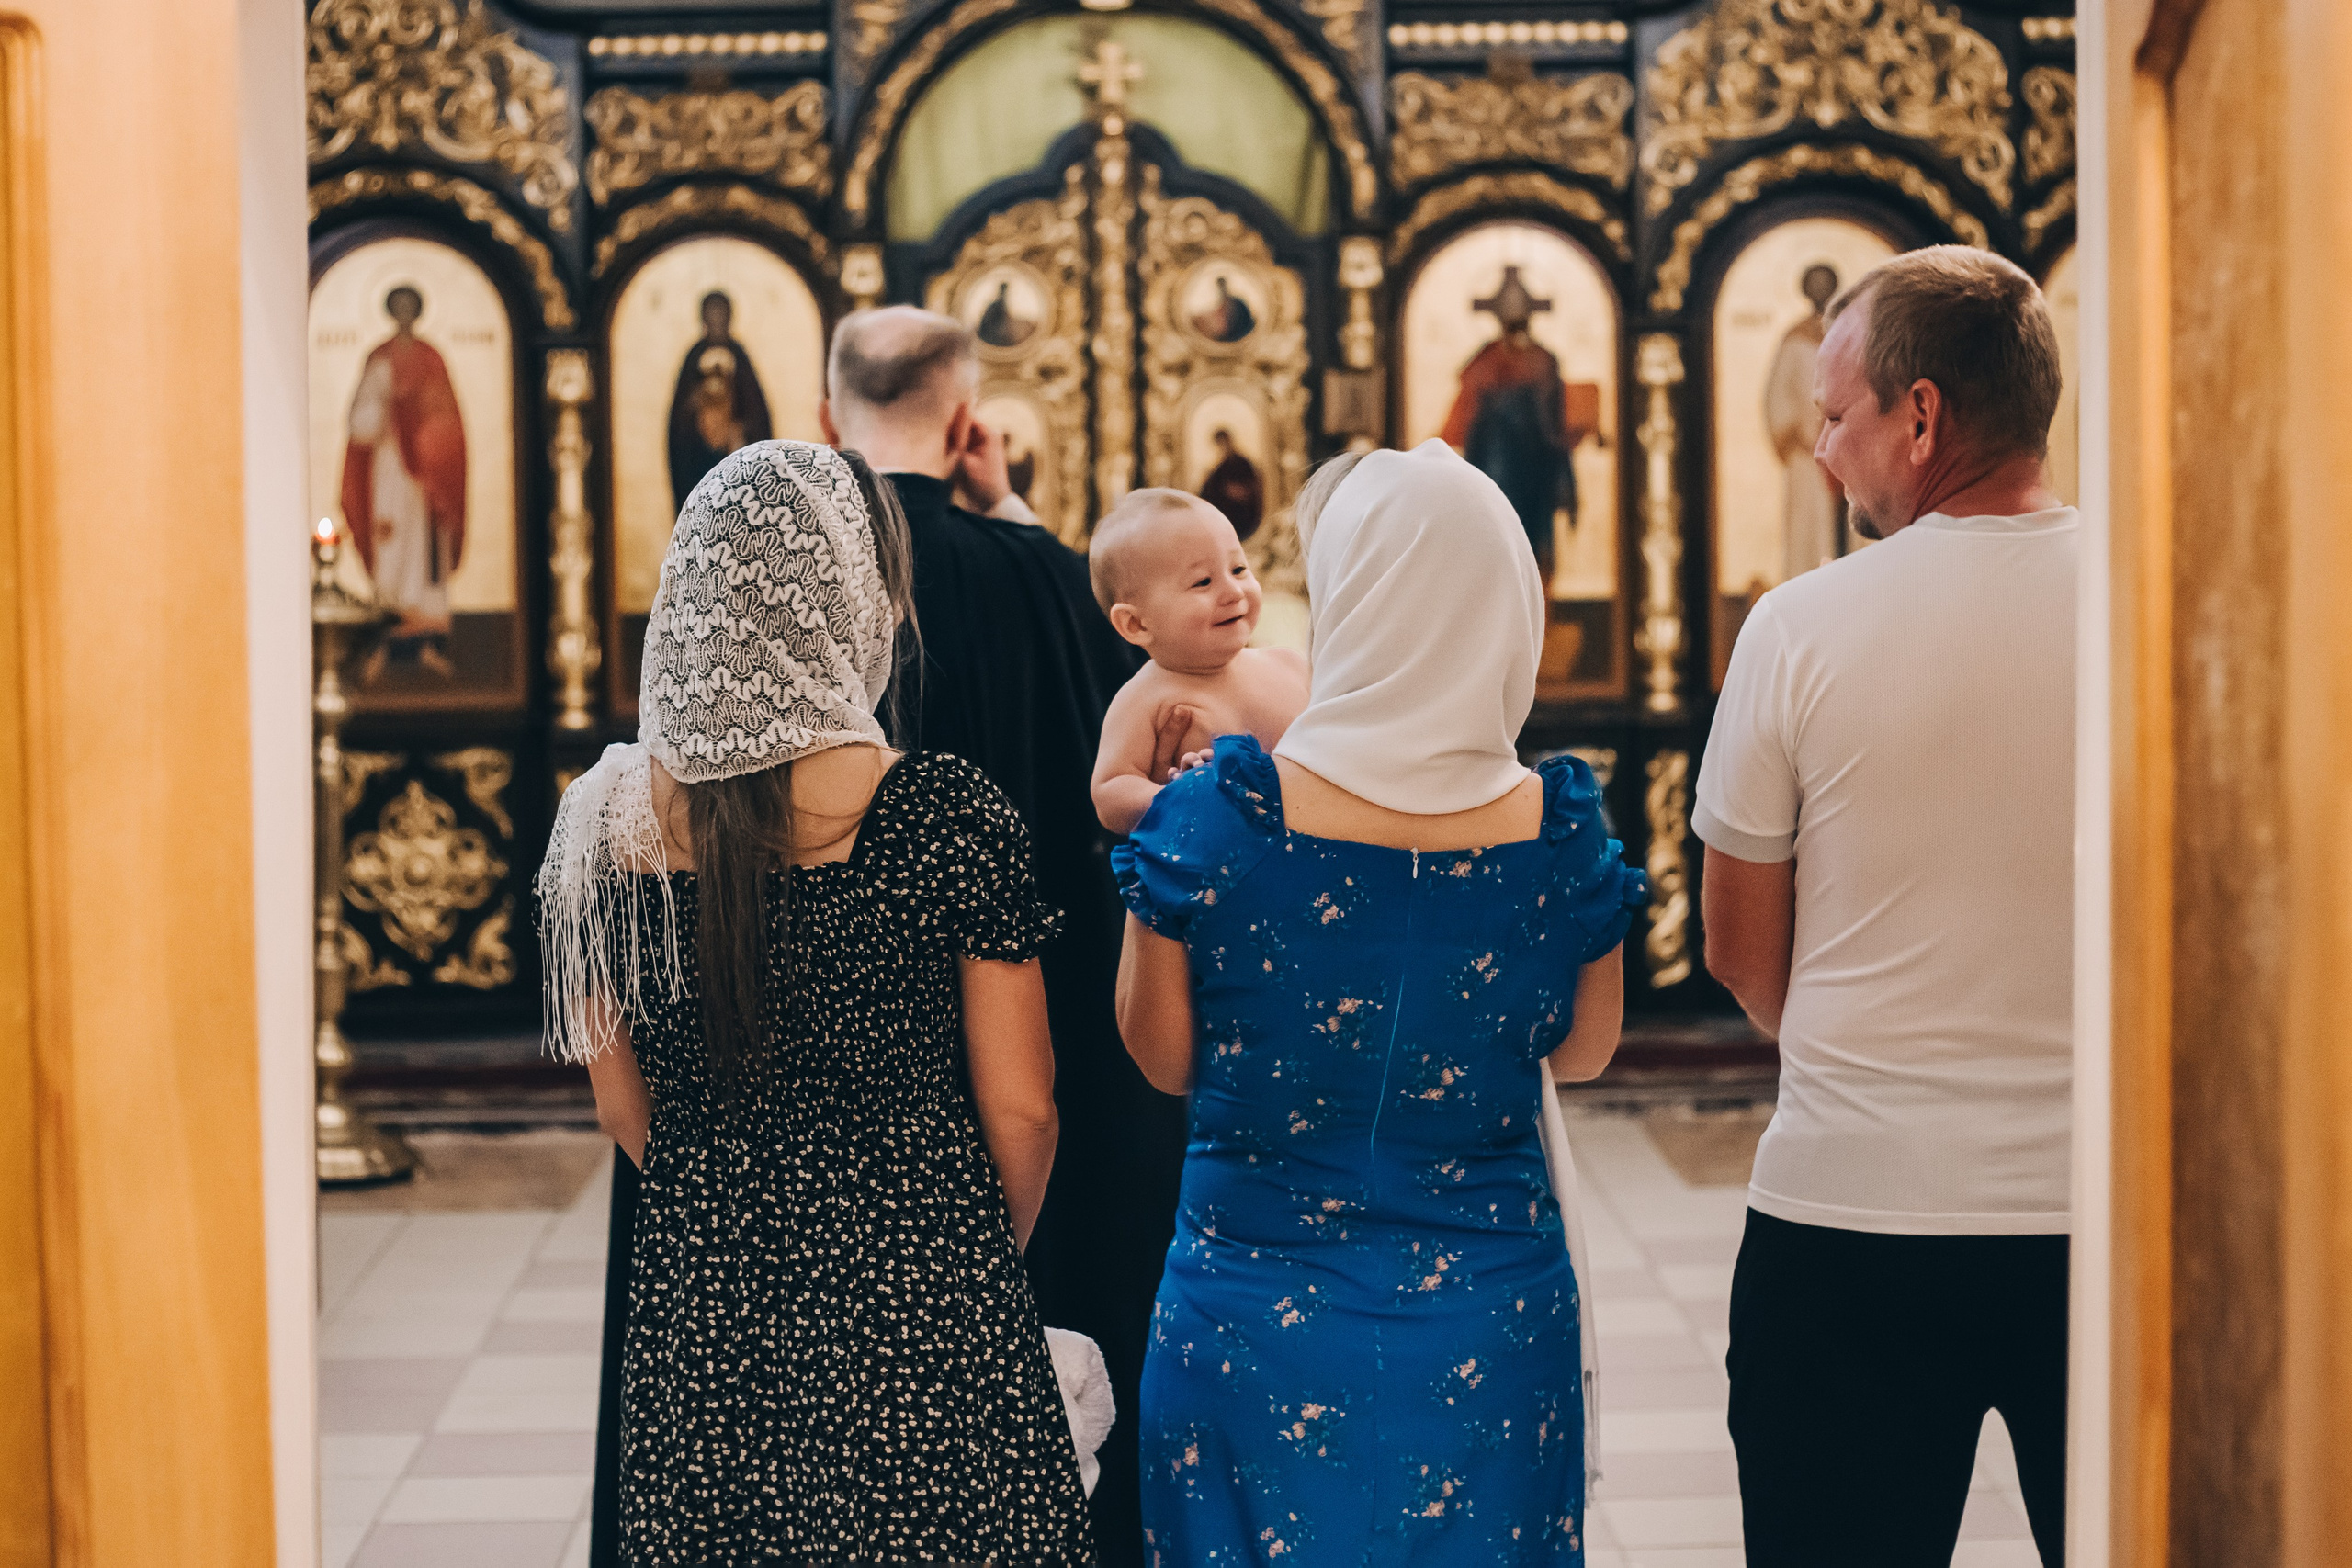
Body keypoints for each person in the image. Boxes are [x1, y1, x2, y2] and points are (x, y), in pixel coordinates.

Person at [545, 440, 1094, 1564]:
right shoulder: (941, 812)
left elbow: (619, 1105)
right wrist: (960, 1252)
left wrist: (733, 1201)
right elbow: (1024, 1110)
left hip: (706, 1296)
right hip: (923, 1278)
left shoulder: (604, 822)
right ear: (854, 599)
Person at [1114, 439, 1642, 1564]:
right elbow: (1585, 1051)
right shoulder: (1560, 835)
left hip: (1248, 1310)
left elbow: (1163, 1058)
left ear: (1347, 599)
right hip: (1487, 1319)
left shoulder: (1213, 818)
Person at [1696, 245, 2075, 1566]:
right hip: (2112, 1221)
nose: (1819, 450)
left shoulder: (1798, 626)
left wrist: (1877, 1047)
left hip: (1853, 1215)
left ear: (1920, 418)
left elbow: (1739, 946)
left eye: (1834, 415)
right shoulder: (2163, 606)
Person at [817, 304, 1185, 1565]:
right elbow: (1126, 731)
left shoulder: (802, 584)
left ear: (824, 421)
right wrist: (1017, 513)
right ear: (968, 419)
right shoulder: (1038, 573)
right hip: (1043, 1035)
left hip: (851, 1073)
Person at [1086, 488, 1309, 836]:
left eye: (1238, 569)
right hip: (1221, 862)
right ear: (1137, 624)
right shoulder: (1145, 698)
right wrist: (1178, 796)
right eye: (1203, 581)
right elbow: (1110, 792)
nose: (1233, 591)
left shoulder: (1291, 666)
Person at [342, 283, 465, 675]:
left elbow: (447, 421)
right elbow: (361, 424)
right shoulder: (379, 359)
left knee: (426, 555)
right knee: (391, 545)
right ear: (390, 311)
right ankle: (383, 640)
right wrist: (387, 402)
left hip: (428, 476)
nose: (405, 314)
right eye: (399, 307)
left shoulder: (431, 359)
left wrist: (428, 438)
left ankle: (428, 643)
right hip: (390, 468)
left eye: (411, 307)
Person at [1440, 267, 1579, 581]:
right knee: (1497, 536)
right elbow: (1468, 409)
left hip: (1535, 468)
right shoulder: (1487, 360)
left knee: (1533, 546)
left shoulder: (1543, 360)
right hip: (1494, 464)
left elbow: (1554, 419)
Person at [1766, 263, 1845, 581]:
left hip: (1847, 449)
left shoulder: (1850, 333)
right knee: (1808, 528)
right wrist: (1796, 433)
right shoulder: (1794, 339)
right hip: (1807, 452)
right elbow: (1777, 394)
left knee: (1848, 530)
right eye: (1815, 284)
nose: (1820, 291)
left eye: (1825, 284)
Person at [666, 290, 773, 508]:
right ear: (703, 318)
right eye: (711, 315)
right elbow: (679, 423)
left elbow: (756, 413)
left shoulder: (740, 357)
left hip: (735, 458)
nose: (716, 321)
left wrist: (741, 431)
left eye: (721, 315)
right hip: (698, 461)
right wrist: (695, 407)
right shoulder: (693, 357)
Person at [1194, 427, 1265, 540]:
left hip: (1242, 517)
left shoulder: (1243, 463)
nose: (1223, 447)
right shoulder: (1219, 468)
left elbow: (1252, 490)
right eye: (1220, 444)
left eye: (1224, 443)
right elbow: (1207, 492)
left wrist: (1237, 492)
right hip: (1225, 518)